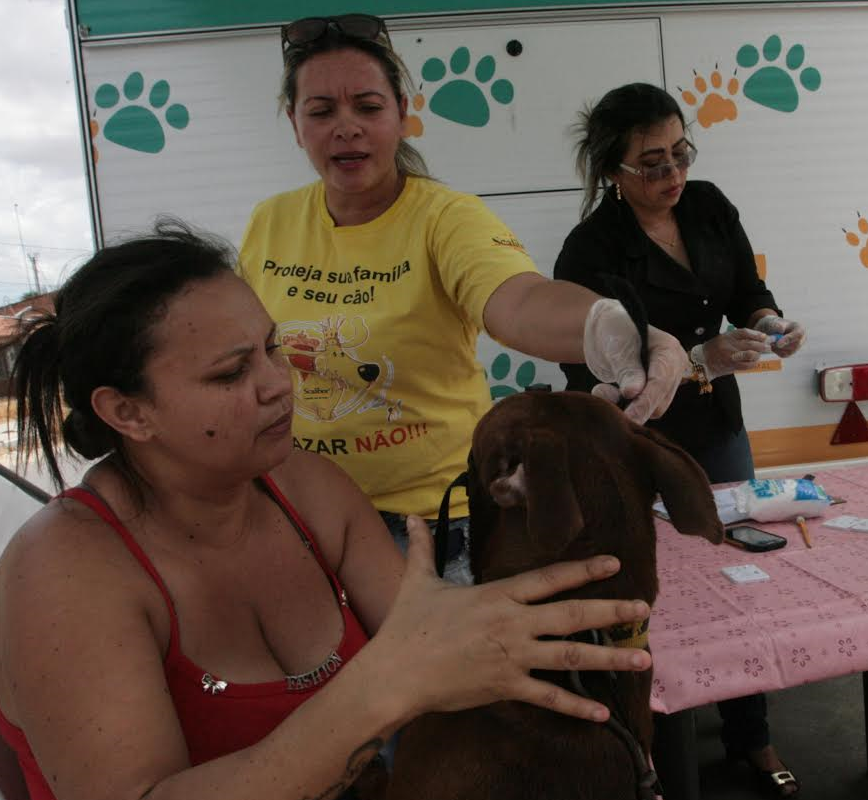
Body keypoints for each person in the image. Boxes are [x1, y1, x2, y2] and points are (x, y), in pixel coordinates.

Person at [0, 222, 658, 800]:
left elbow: (432, 645)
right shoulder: (63, 572)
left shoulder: (300, 485)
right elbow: (403, 673)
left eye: (274, 348)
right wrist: (382, 691)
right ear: (126, 412)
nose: (280, 384)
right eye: (230, 374)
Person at [237, 14, 687, 577]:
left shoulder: (447, 219)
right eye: (322, 110)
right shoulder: (268, 223)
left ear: (403, 115)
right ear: (295, 123)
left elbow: (516, 301)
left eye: (369, 107)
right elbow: (247, 354)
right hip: (303, 517)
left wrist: (606, 327)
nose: (346, 127)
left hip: (433, 527)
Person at [555, 82, 805, 798]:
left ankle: (751, 737)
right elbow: (593, 371)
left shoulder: (707, 204)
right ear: (612, 172)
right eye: (652, 164)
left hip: (718, 431)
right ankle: (651, 749)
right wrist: (699, 360)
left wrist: (771, 321)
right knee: (648, 597)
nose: (673, 177)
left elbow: (746, 289)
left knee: (738, 576)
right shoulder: (589, 251)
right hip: (634, 446)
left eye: (680, 154)